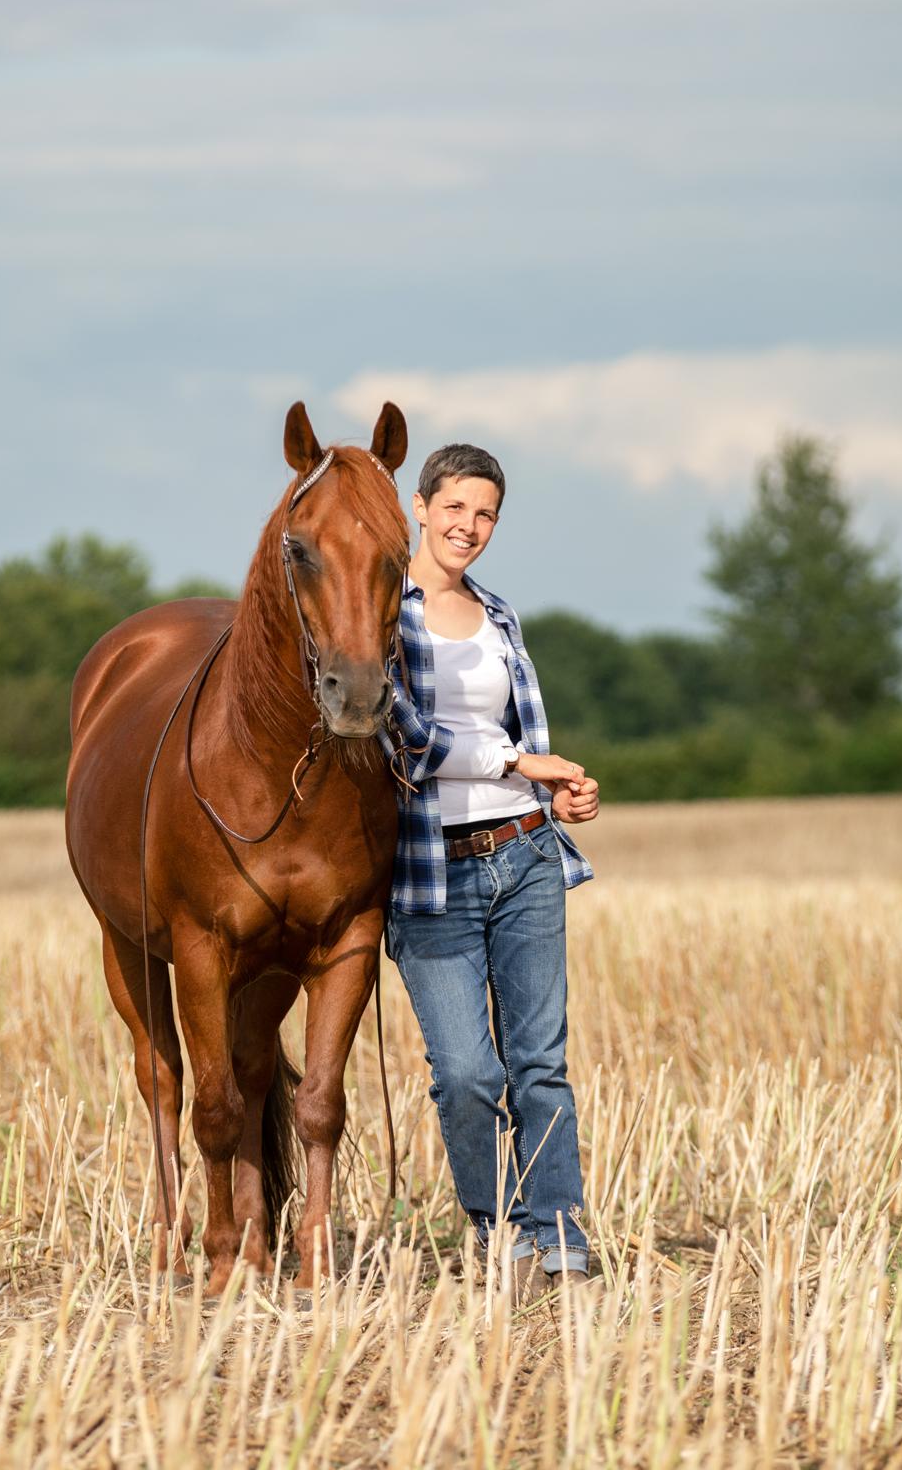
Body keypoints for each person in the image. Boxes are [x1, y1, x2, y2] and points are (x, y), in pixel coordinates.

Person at [383, 442, 600, 1290]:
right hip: (430, 875)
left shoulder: (501, 615)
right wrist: (517, 764)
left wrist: (562, 795)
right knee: (469, 1074)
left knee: (539, 1062)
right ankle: (497, 1225)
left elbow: (528, 743)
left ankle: (556, 1232)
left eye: (486, 515)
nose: (469, 527)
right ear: (420, 505)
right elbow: (400, 733)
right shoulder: (377, 615)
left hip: (526, 856)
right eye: (456, 508)